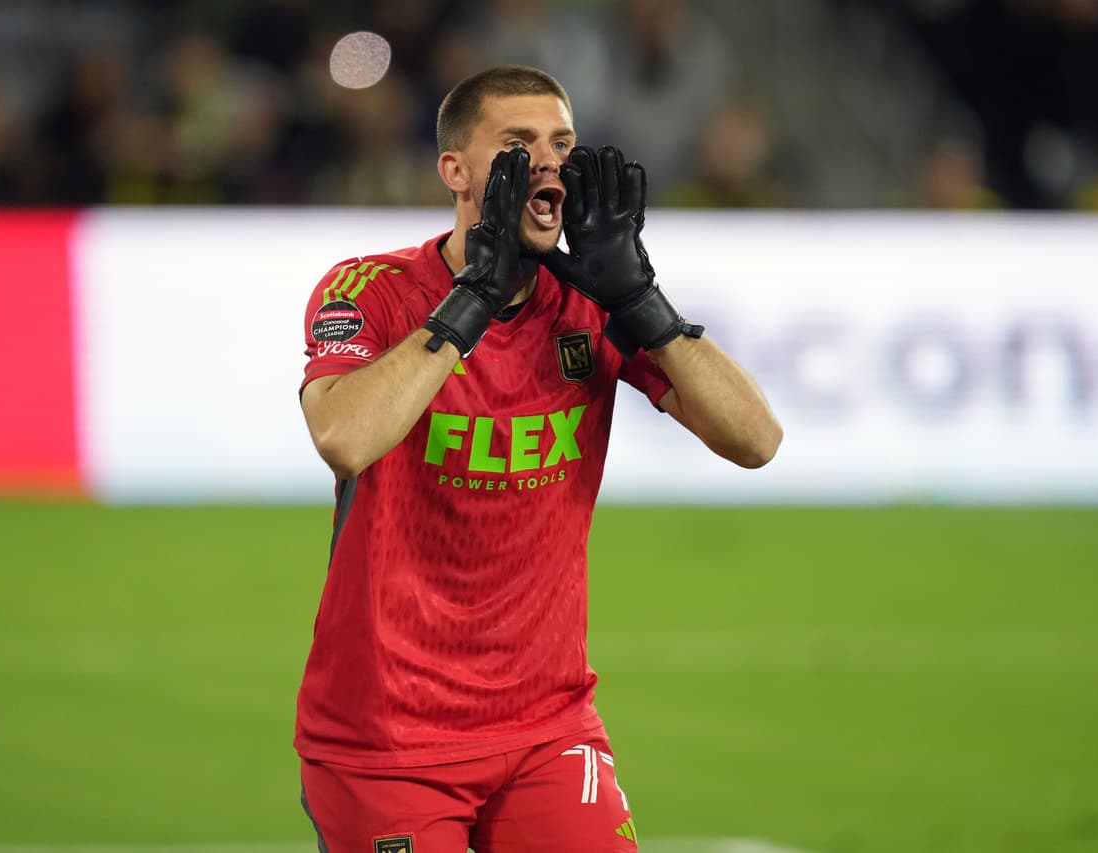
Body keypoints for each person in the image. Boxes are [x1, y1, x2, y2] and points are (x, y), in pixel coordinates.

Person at [297, 64, 782, 852]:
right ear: (456, 170)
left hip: (548, 726)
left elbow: (756, 439)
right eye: (518, 144)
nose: (549, 162)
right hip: (386, 736)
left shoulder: (590, 301)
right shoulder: (370, 289)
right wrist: (473, 299)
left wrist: (641, 299)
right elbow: (344, 437)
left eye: (561, 143)